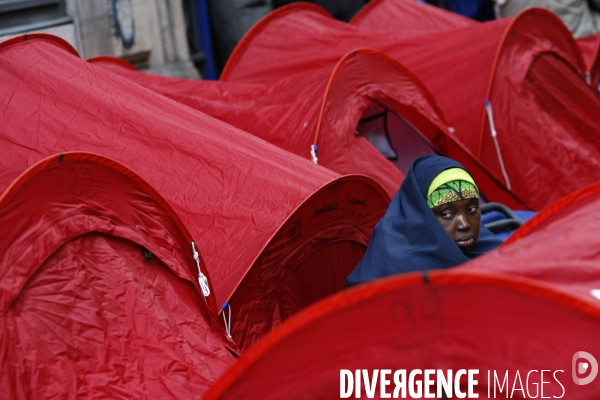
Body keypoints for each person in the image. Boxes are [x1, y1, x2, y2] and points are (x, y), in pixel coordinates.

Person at [346, 155, 501, 287]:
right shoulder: (394, 275)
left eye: (471, 210)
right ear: (420, 215)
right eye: (447, 214)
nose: (465, 224)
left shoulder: (492, 253)